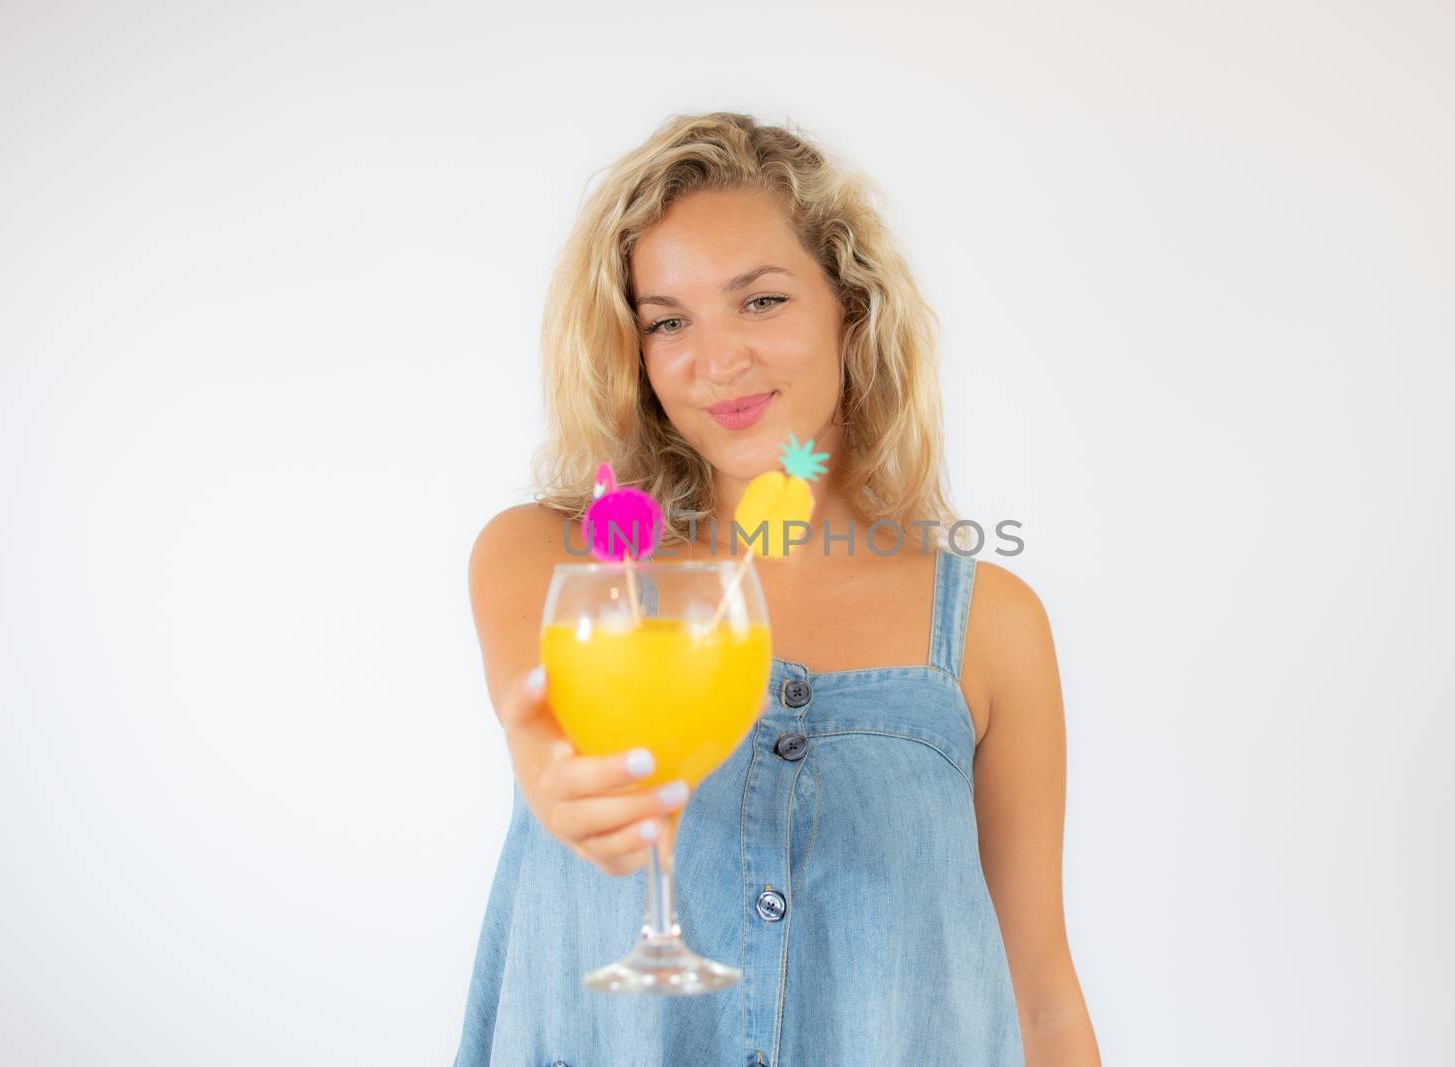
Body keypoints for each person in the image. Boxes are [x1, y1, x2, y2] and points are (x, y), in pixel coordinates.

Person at [454, 111, 1101, 1066]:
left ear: (852, 306)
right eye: (667, 320)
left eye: (759, 301)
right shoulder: (555, 560)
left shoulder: (991, 625)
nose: (716, 362)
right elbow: (545, 728)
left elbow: (1038, 993)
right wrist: (563, 784)